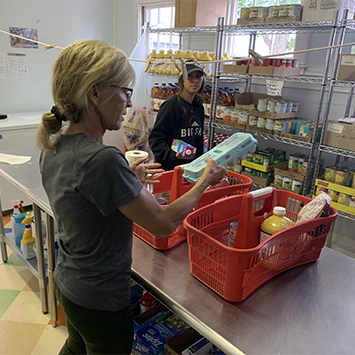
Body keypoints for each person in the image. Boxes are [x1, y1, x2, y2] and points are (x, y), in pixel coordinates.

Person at [36, 39, 226, 355]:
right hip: (101, 299)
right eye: (124, 91)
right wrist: (205, 181)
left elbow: (84, 203)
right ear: (94, 93)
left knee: (76, 346)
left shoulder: (53, 145)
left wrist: (127, 181)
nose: (128, 102)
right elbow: (164, 224)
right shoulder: (103, 160)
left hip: (70, 284)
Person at [149, 60, 205, 171]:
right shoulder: (170, 106)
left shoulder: (199, 107)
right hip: (169, 169)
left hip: (191, 169)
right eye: (190, 76)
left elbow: (198, 139)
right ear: (182, 80)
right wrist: (172, 155)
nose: (195, 80)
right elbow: (155, 139)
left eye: (198, 76)